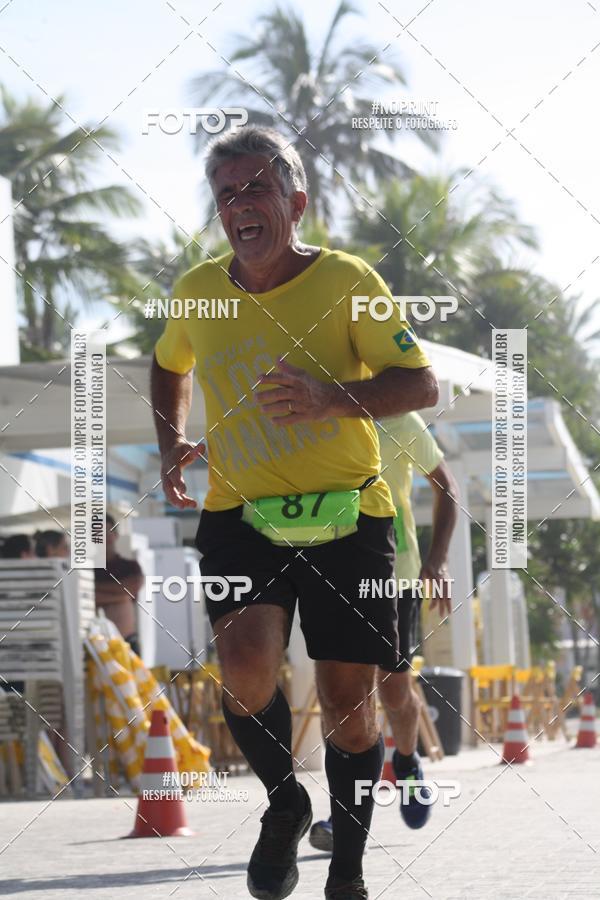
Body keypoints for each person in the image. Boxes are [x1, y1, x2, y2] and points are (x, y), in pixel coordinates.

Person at [151, 125, 439, 900]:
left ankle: (346, 870)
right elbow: (166, 361)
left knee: (350, 707)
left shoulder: (346, 280)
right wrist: (170, 438)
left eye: (257, 188)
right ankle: (285, 803)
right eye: (226, 195)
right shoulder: (198, 290)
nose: (240, 206)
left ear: (296, 201)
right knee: (243, 673)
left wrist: (329, 400)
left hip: (351, 519)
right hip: (241, 511)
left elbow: (419, 385)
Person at [309, 411, 458, 851]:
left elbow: (446, 486)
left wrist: (438, 558)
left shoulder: (402, 420)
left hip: (397, 576)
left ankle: (408, 762)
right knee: (342, 694)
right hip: (334, 569)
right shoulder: (318, 410)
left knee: (394, 691)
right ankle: (346, 813)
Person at [94, 515, 144, 655]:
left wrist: (97, 587)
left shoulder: (131, 566)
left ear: (115, 535)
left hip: (127, 641)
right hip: (97, 645)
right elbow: (86, 597)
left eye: (108, 532)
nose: (104, 537)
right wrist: (121, 598)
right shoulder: (88, 568)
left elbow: (131, 588)